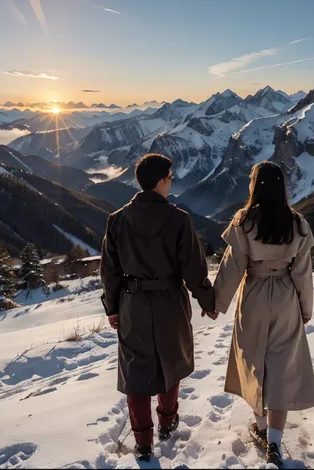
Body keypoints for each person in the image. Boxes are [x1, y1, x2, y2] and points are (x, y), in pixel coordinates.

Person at [100, 153, 215, 462]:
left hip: (133, 304)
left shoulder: (117, 220)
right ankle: (167, 421)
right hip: (169, 303)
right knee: (171, 362)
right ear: (162, 180)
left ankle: (143, 442)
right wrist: (208, 302)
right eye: (170, 177)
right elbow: (193, 268)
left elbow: (109, 270)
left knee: (135, 371)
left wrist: (112, 307)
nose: (172, 182)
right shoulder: (179, 219)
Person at [208, 161, 314, 468]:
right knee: (281, 366)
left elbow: (232, 268)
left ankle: (260, 424)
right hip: (285, 297)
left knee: (252, 360)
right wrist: (305, 310)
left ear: (255, 187)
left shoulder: (244, 222)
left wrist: (216, 304)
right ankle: (274, 442)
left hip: (254, 294)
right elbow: (303, 274)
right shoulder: (297, 224)